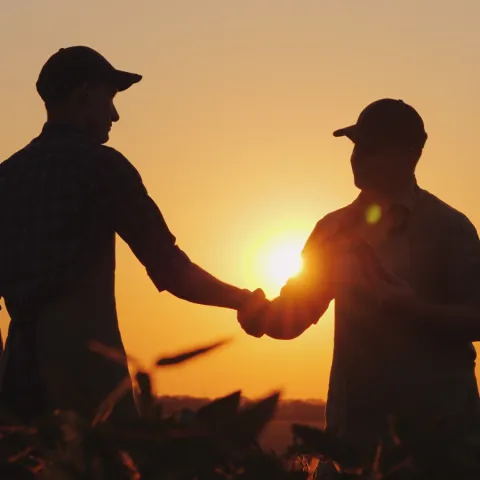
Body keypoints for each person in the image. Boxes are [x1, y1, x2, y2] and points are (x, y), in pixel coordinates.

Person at [0, 46, 266, 423]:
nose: (115, 114)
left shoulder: (7, 177)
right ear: (86, 94)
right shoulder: (103, 167)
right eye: (110, 99)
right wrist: (243, 301)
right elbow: (172, 269)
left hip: (18, 374)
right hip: (89, 377)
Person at [238, 98, 480, 465]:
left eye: (369, 147)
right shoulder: (331, 230)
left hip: (440, 443)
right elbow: (292, 318)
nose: (356, 157)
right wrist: (254, 312)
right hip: (354, 443)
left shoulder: (451, 228)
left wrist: (411, 309)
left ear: (408, 155)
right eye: (355, 146)